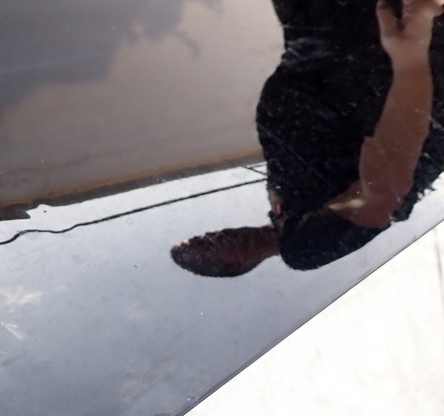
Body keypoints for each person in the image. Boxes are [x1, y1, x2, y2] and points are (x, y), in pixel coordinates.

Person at [172, 0, 444, 277]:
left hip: (323, 41)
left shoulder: (284, 213)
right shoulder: (302, 249)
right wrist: (411, 63)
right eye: (207, 246)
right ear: (236, 265)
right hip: (382, 57)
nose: (214, 235)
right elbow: (382, 191)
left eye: (203, 236)